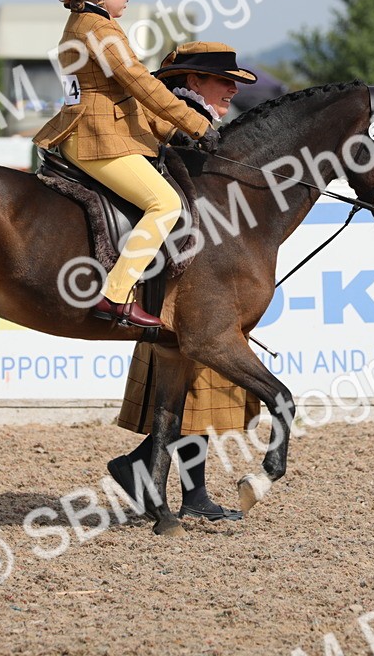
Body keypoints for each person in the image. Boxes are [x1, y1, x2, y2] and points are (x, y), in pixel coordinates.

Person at [34, 0, 219, 328]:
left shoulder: (85, 23)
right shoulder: (98, 28)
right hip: (96, 139)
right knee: (165, 204)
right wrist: (195, 124)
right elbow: (140, 84)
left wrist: (169, 131)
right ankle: (115, 296)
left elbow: (122, 97)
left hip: (95, 130)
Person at [108, 42, 262, 522]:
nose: (232, 90)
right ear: (194, 82)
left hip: (193, 278)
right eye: (223, 81)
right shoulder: (177, 124)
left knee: (201, 392)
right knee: (192, 393)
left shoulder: (197, 122)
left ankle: (185, 491)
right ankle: (158, 477)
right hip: (174, 283)